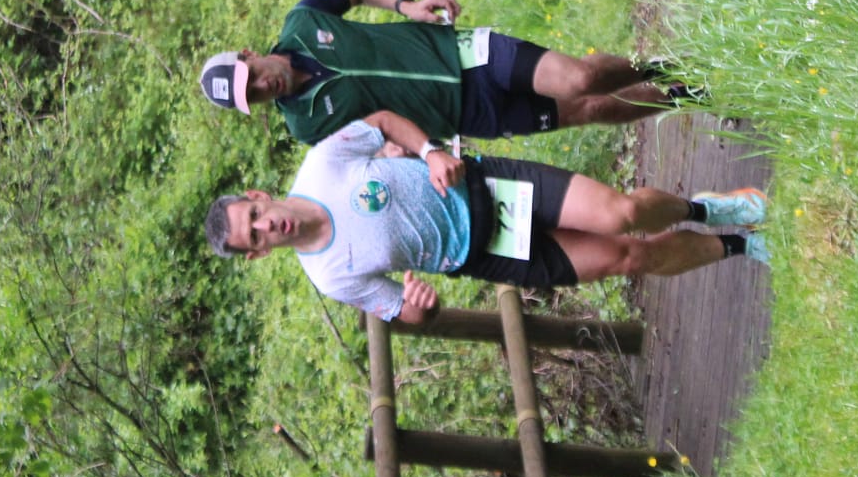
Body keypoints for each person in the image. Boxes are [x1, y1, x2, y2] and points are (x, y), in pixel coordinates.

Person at [202, 116, 768, 325]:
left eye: (255, 215)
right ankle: (738, 250)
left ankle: (707, 208)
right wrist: (420, 309)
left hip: (488, 187)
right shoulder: (329, 276)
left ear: (258, 195)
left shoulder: (322, 164)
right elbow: (400, 310)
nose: (264, 226)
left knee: (621, 214)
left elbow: (381, 122)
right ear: (256, 254)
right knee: (629, 257)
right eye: (253, 236)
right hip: (484, 253)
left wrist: (427, 151)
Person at [196, 0, 688, 147]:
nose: (262, 88)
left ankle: (667, 69)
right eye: (252, 97)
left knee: (582, 78)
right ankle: (686, 98)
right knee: (593, 111)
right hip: (466, 115)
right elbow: (376, 146)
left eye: (251, 77)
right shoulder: (307, 128)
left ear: (248, 55)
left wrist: (405, 5)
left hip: (463, 55)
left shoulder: (303, 21)